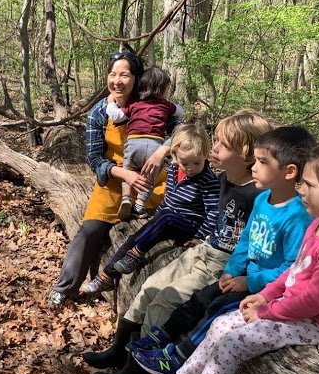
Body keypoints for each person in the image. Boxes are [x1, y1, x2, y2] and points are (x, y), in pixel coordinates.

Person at [136, 140, 319, 374]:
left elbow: (313, 302)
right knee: (221, 324)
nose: (301, 191)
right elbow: (294, 274)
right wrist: (266, 295)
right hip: (294, 309)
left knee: (233, 343)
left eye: (310, 185)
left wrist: (266, 311)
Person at [86, 109, 272, 374]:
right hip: (205, 250)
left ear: (247, 155)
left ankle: (136, 372)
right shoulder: (223, 180)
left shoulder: (259, 194)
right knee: (149, 286)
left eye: (222, 145)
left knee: (164, 301)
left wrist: (245, 278)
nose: (215, 148)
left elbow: (258, 247)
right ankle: (119, 350)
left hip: (223, 265)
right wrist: (162, 152)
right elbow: (183, 142)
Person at [129, 126, 317, 374]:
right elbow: (246, 241)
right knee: (200, 298)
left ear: (289, 172)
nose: (254, 166)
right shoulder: (264, 201)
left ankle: (177, 357)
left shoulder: (296, 216)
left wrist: (248, 281)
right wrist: (231, 271)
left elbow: (293, 268)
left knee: (216, 310)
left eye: (262, 162)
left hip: (264, 288)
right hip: (241, 276)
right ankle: (156, 339)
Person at [46, 52, 171, 307]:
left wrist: (162, 150)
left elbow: (184, 133)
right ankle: (65, 287)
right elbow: (93, 158)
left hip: (151, 182)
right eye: (112, 74)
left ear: (136, 78)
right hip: (113, 183)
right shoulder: (99, 112)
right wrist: (123, 173)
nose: (117, 81)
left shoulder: (152, 104)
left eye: (124, 74)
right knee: (89, 231)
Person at [78, 123, 219, 296]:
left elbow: (213, 212)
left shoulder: (209, 180)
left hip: (189, 225)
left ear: (206, 155)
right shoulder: (174, 169)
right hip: (168, 219)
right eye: (184, 163)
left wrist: (200, 237)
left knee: (165, 218)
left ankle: (136, 255)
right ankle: (106, 277)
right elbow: (169, 198)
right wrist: (157, 216)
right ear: (174, 156)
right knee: (134, 238)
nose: (190, 168)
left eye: (196, 163)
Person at [106, 67, 183, 220]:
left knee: (127, 170)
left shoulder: (135, 104)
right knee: (150, 177)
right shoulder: (165, 105)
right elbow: (180, 112)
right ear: (162, 89)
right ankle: (140, 205)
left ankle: (126, 197)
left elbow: (116, 116)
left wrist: (110, 102)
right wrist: (173, 105)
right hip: (155, 146)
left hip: (133, 144)